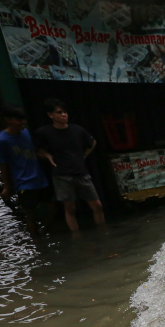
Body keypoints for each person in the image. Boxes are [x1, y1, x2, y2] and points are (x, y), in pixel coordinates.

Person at [33, 98, 103, 232]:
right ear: (50, 115)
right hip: (62, 175)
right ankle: (76, 236)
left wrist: (84, 155)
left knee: (97, 205)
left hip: (81, 173)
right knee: (70, 209)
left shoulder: (77, 130)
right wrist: (47, 156)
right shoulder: (44, 132)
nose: (63, 115)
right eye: (59, 112)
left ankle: (103, 231)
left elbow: (92, 142)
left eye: (65, 112)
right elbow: (37, 149)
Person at [0, 105, 55, 237]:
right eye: (18, 120)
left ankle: (44, 233)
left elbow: (33, 152)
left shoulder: (26, 133)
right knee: (30, 215)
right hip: (23, 182)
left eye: (23, 119)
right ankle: (37, 242)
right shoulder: (1, 140)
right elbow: (3, 165)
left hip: (40, 178)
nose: (23, 122)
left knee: (53, 208)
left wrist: (47, 156)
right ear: (8, 120)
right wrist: (7, 187)